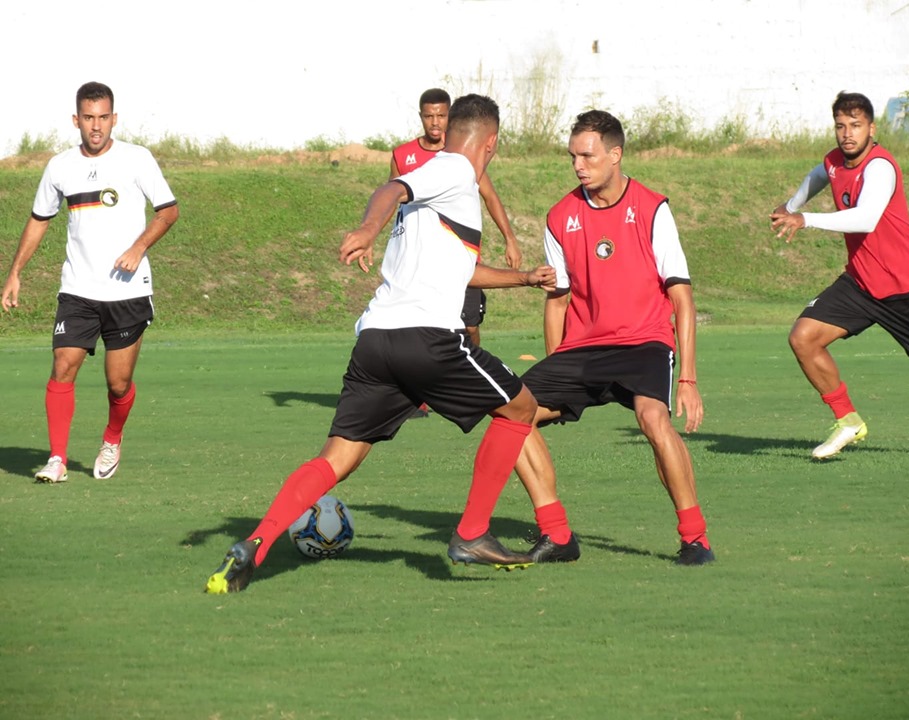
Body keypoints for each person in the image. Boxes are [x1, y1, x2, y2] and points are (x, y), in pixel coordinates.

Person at [205, 94, 556, 594]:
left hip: (375, 343)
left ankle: (254, 545)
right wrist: (368, 228)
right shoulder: (454, 171)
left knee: (338, 457)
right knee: (520, 409)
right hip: (427, 339)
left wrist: (522, 279)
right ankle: (472, 534)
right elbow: (392, 185)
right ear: (492, 143)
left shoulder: (438, 198)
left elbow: (458, 271)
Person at [512, 110, 715, 566]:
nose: (579, 165)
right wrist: (555, 366)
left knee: (653, 421)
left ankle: (695, 538)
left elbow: (681, 298)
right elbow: (557, 300)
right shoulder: (560, 216)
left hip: (645, 342)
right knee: (510, 411)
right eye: (573, 157)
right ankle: (557, 535)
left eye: (588, 155)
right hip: (583, 349)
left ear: (615, 154)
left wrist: (688, 378)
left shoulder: (651, 208)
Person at [1, 81, 179, 483]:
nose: (95, 126)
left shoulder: (137, 159)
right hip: (78, 289)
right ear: (75, 120)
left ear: (113, 118)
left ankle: (112, 439)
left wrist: (138, 248)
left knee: (119, 384)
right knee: (63, 365)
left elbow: (169, 211)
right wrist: (15, 273)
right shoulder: (61, 166)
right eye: (88, 118)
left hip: (128, 291)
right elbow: (39, 220)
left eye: (102, 118)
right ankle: (58, 459)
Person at [770, 91, 909, 460]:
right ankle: (848, 420)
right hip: (860, 283)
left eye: (855, 125)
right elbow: (819, 175)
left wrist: (804, 218)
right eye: (840, 126)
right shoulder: (835, 161)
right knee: (803, 337)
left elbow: (865, 218)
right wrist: (790, 205)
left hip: (904, 288)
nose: (847, 133)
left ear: (871, 128)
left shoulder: (880, 167)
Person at [390, 87, 523, 349]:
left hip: (462, 259)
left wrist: (510, 238)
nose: (435, 122)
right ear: (421, 117)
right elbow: (391, 196)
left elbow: (491, 197)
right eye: (429, 116)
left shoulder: (463, 157)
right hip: (423, 262)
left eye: (441, 115)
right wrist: (371, 234)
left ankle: (472, 359)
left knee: (469, 324)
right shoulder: (404, 156)